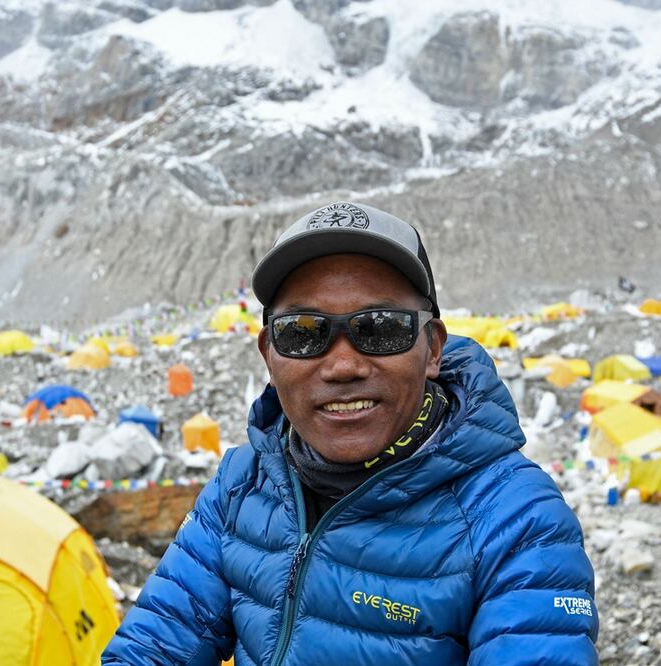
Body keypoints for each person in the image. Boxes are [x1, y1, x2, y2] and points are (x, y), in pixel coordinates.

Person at [103, 202, 598, 665]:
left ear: (432, 351)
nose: (342, 366)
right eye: (302, 332)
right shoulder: (243, 484)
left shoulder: (515, 519)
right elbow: (150, 647)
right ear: (268, 355)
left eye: (380, 328)